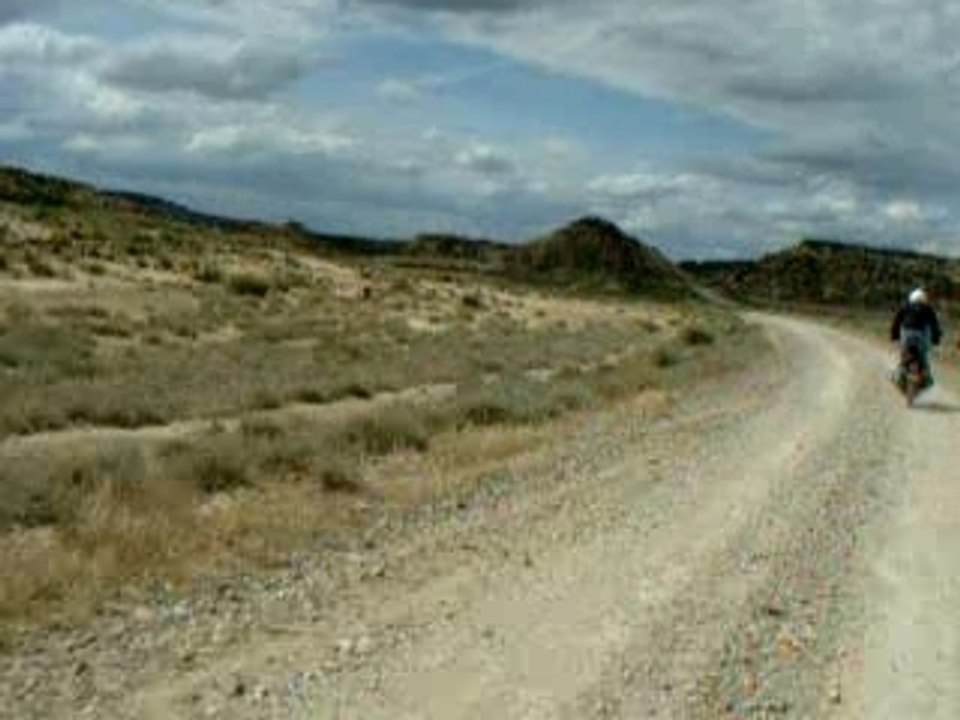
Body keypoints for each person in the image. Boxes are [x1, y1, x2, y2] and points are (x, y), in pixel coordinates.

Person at [890, 288, 943, 391]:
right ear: (924, 299)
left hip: (906, 337)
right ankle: (927, 381)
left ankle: (899, 377)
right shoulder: (928, 309)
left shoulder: (905, 307)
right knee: (924, 359)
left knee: (903, 358)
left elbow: (896, 322)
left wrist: (894, 336)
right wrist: (936, 340)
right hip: (921, 339)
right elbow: (935, 325)